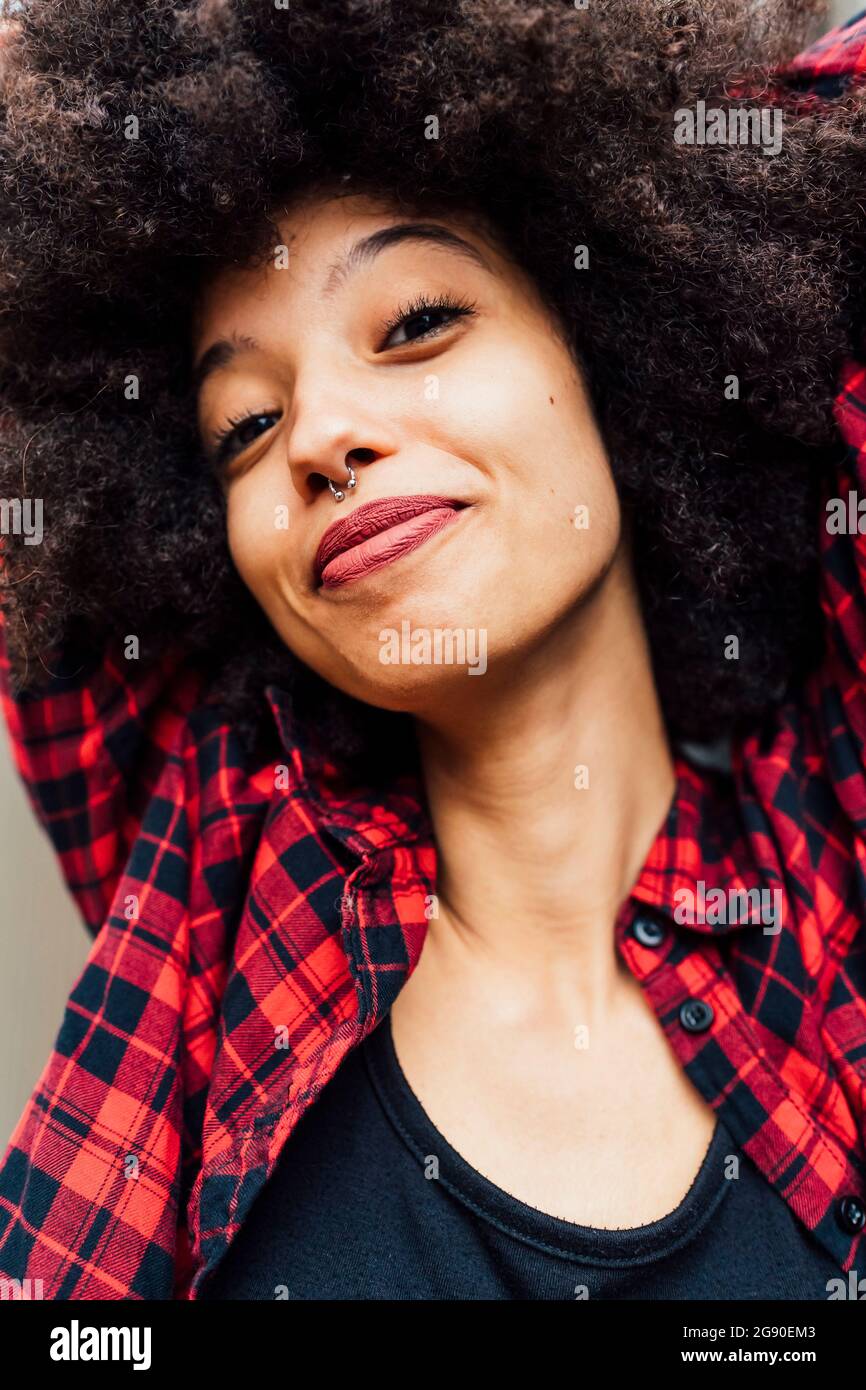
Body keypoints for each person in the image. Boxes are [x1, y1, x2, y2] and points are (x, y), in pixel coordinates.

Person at [0, 0, 865, 1301]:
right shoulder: (216, 869)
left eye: (413, 326)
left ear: (613, 348)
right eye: (243, 425)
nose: (319, 436)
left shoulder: (828, 865)